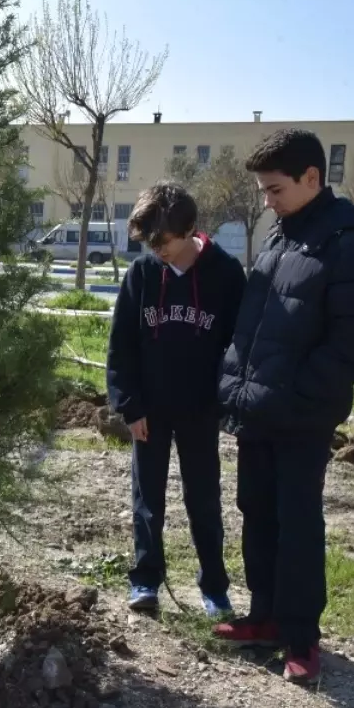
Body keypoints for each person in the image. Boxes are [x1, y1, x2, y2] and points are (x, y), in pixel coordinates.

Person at [214, 129, 354, 683]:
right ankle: (264, 616)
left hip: (303, 414)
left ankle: (301, 637)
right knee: (256, 512)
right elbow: (257, 320)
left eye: (275, 189)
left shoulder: (350, 239)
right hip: (258, 408)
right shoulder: (282, 235)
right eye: (263, 190)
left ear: (313, 178)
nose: (267, 200)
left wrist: (298, 393)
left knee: (297, 523)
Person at [106, 181, 246, 616]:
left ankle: (214, 588)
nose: (155, 249)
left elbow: (238, 346)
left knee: (203, 499)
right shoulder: (143, 275)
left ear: (188, 230)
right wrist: (129, 405)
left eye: (161, 240)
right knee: (147, 498)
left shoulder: (225, 274)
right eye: (148, 242)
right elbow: (121, 345)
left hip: (200, 410)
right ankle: (146, 579)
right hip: (149, 410)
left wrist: (226, 403)